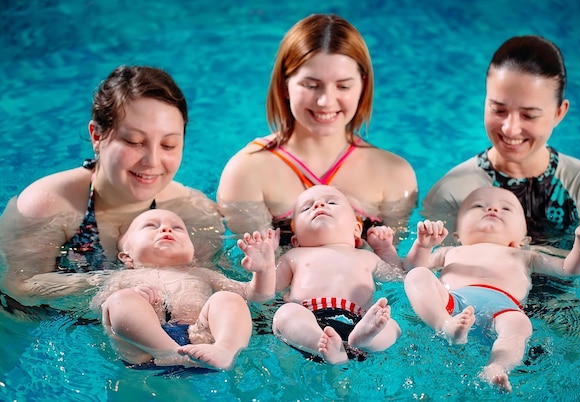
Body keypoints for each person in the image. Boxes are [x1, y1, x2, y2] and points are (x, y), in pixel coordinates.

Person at [0, 65, 224, 309]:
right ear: (97, 136)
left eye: (168, 145)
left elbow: (209, 290)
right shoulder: (47, 205)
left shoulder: (192, 210)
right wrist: (112, 280)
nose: (152, 161)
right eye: (134, 141)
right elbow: (19, 289)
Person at [217, 14, 417, 245]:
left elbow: (396, 268)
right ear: (284, 85)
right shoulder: (246, 173)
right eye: (311, 85)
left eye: (343, 86)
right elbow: (251, 270)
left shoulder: (395, 174)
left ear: (362, 85)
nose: (325, 101)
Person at [421, 35, 580, 252]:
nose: (510, 128)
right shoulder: (452, 192)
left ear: (559, 113)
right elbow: (439, 266)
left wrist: (528, 254)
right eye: (498, 110)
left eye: (529, 115)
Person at [403, 187, 580, 392]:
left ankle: (497, 366)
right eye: (478, 206)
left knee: (519, 325)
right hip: (453, 301)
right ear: (458, 235)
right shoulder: (450, 250)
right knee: (417, 276)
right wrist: (423, 246)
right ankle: (446, 325)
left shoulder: (525, 255)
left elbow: (571, 269)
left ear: (523, 241)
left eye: (506, 209)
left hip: (503, 309)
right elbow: (411, 268)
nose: (492, 208)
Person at [90, 209, 277, 369]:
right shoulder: (122, 277)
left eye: (178, 228)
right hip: (144, 349)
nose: (166, 229)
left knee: (228, 298)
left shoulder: (201, 273)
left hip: (201, 339)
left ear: (192, 253)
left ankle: (225, 350)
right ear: (126, 256)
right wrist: (134, 297)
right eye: (151, 226)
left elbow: (254, 296)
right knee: (118, 300)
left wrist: (264, 271)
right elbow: (97, 306)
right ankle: (167, 351)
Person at [242, 185, 403, 364]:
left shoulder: (368, 257)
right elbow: (264, 296)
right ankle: (323, 344)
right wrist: (264, 268)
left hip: (359, 322)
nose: (318, 205)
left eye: (331, 202)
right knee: (285, 313)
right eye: (306, 208)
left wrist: (385, 249)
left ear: (356, 229)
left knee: (393, 327)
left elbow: (397, 277)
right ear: (296, 240)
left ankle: (366, 339)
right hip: (309, 321)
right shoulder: (294, 256)